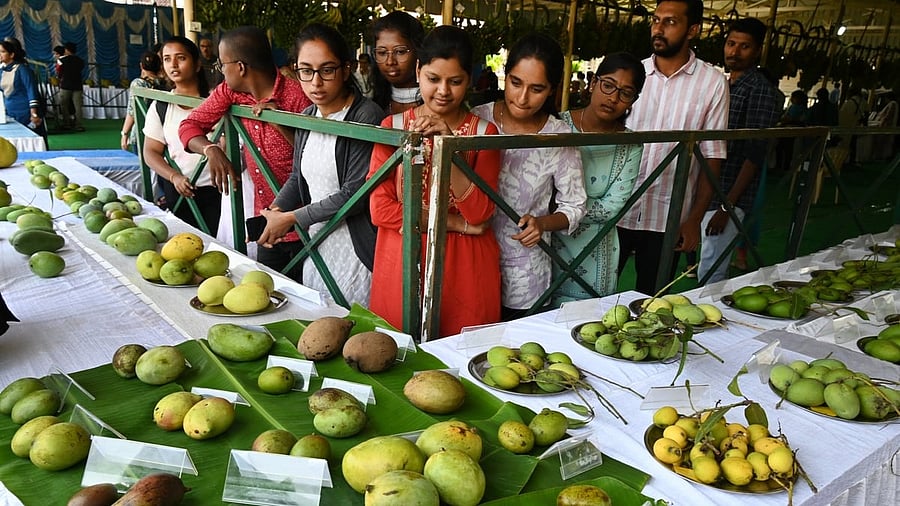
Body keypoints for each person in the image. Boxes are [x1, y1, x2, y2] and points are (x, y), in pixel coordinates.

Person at [367, 25, 502, 337]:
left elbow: (480, 213)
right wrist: (456, 224)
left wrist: (449, 150)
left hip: (465, 266)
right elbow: (379, 210)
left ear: (469, 80)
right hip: (404, 255)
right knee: (398, 354)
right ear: (418, 71)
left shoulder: (485, 134)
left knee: (459, 358)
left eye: (455, 81)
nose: (443, 90)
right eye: (433, 79)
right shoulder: (393, 127)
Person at [258, 24, 383, 306]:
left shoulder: (365, 117)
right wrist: (277, 210)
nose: (315, 82)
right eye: (306, 70)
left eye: (327, 70)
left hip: (356, 248)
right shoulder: (307, 115)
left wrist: (292, 218)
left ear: (346, 68)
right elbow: (297, 176)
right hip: (317, 242)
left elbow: (355, 193)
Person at [179, 26, 311, 277]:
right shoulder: (231, 93)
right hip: (265, 220)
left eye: (222, 64)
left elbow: (314, 154)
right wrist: (210, 149)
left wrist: (278, 121)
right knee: (267, 290)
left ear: (240, 67)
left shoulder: (297, 96)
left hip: (303, 222)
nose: (220, 70)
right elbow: (189, 126)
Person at [470, 33, 586, 319]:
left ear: (552, 90)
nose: (522, 98)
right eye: (515, 83)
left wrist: (542, 223)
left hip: (525, 272)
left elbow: (575, 205)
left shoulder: (558, 137)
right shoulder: (477, 120)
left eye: (536, 88)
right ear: (505, 76)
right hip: (471, 260)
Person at [617, 0, 728, 295]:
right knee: (590, 296)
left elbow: (712, 156)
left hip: (668, 218)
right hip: (616, 209)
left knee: (651, 302)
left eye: (670, 22)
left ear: (693, 29)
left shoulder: (713, 83)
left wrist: (693, 220)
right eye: (656, 20)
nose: (659, 28)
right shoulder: (632, 75)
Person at [552, 52, 645, 303]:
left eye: (625, 93)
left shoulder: (631, 145)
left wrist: (558, 211)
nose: (613, 98)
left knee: (586, 326)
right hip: (545, 246)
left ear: (633, 100)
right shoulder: (557, 127)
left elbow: (612, 207)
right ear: (593, 83)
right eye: (608, 85)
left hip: (595, 253)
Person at [698, 18, 779, 284]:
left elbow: (755, 152)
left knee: (712, 268)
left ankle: (708, 320)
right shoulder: (722, 85)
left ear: (756, 51)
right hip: (706, 188)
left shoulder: (760, 90)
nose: (734, 51)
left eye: (744, 46)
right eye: (731, 44)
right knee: (706, 258)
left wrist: (727, 206)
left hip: (728, 193)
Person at [142, 36, 220, 233]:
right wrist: (174, 176)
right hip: (180, 193)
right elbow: (150, 152)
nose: (173, 65)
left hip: (220, 192)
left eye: (181, 58)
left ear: (196, 65)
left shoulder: (217, 101)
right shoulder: (161, 105)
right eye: (167, 59)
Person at [370, 11, 425, 115]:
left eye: (400, 52)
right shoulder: (372, 108)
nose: (390, 61)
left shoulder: (438, 106)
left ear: (418, 51)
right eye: (382, 53)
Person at [121, 50, 166, 152]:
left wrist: (124, 133)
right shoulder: (166, 83)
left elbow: (132, 111)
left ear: (141, 66)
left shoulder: (138, 84)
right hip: (162, 132)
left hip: (142, 133)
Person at [0, 40, 45, 139]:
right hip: (9, 112)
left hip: (25, 112)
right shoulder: (1, 71)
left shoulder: (22, 69)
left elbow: (31, 91)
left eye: (2, 52)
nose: (0, 55)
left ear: (11, 54)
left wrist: (34, 114)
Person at [57, 42, 85, 131]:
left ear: (66, 50)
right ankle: (78, 125)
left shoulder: (62, 60)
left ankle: (67, 124)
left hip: (65, 85)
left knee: (64, 105)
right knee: (78, 107)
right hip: (77, 85)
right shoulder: (80, 61)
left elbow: (59, 73)